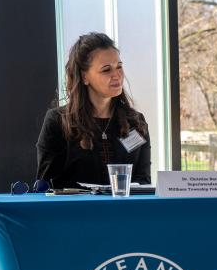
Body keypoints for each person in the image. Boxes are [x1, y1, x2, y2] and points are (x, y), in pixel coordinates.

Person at [37, 32, 150, 188]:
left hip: (123, 211)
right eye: (106, 70)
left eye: (119, 67)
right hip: (75, 211)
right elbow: (45, 186)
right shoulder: (58, 121)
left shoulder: (136, 122)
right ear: (84, 77)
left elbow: (143, 181)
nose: (117, 75)